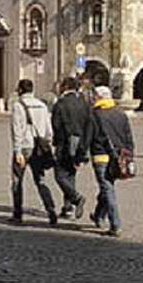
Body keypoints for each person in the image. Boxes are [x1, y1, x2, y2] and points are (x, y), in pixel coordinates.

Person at [10, 78, 58, 226]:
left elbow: (17, 129)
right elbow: (49, 129)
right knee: (40, 180)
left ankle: (18, 214)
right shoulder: (42, 105)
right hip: (39, 148)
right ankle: (51, 210)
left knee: (17, 181)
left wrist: (17, 150)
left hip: (24, 147)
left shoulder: (18, 106)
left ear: (20, 90)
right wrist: (48, 144)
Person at [87, 85, 135, 237]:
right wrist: (130, 154)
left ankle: (115, 224)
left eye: (94, 96)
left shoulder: (95, 114)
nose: (93, 98)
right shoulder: (120, 114)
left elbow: (89, 136)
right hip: (120, 156)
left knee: (107, 188)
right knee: (107, 186)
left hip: (101, 155)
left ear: (99, 97)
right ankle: (98, 215)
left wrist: (80, 155)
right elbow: (128, 136)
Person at [52, 76, 91, 219]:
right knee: (70, 173)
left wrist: (56, 143)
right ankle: (67, 207)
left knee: (60, 175)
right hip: (80, 143)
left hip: (65, 143)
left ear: (64, 87)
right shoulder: (84, 103)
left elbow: (56, 125)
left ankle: (76, 198)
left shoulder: (61, 104)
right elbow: (89, 123)